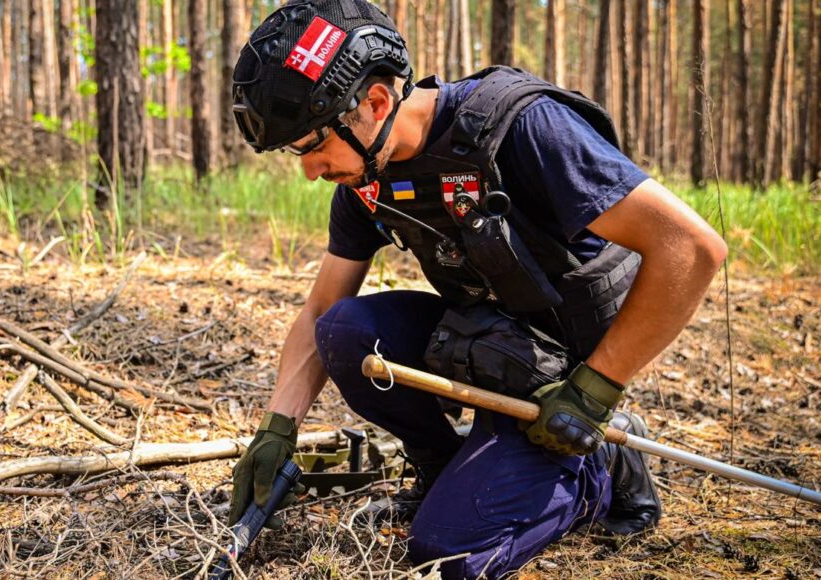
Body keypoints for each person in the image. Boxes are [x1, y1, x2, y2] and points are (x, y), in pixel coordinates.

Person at [227, 0, 727, 577]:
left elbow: (691, 249)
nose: (309, 171)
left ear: (376, 103)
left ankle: (600, 469)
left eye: (313, 145)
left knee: (451, 555)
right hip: (490, 352)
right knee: (343, 331)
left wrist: (593, 392)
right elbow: (322, 306)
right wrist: (276, 430)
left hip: (567, 378)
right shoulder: (366, 178)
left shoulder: (522, 128)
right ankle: (446, 468)